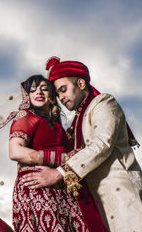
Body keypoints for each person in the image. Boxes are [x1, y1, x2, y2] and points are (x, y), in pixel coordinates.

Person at [23, 57, 142, 231]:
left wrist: (59, 173)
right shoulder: (77, 121)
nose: (61, 98)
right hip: (95, 200)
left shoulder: (104, 103)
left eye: (63, 90)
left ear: (80, 83)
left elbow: (102, 144)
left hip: (121, 194)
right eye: (58, 94)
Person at [9, 75, 107, 232]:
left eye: (44, 89)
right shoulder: (26, 116)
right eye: (32, 90)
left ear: (52, 97)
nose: (38, 93)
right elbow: (15, 151)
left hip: (63, 185)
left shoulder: (58, 126)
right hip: (37, 186)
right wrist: (65, 158)